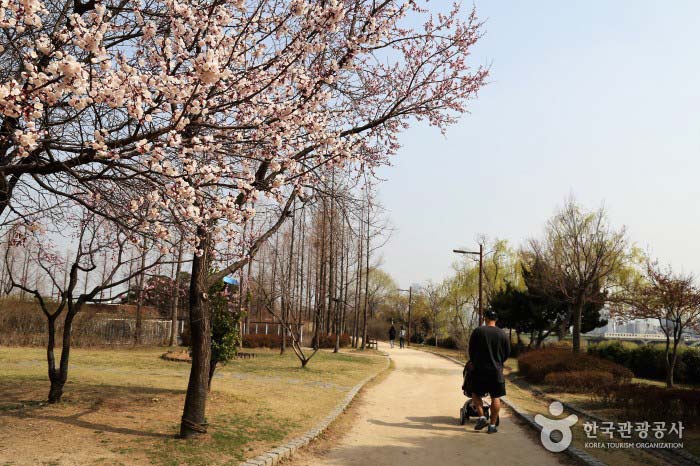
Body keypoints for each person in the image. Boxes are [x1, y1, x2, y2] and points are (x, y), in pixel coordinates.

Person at [468, 309, 510, 434]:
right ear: (496, 319)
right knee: (495, 397)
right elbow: (507, 353)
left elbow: (471, 350)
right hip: (496, 371)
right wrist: (499, 362)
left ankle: (481, 416)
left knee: (475, 393)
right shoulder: (502, 334)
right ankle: (492, 425)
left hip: (479, 370)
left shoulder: (478, 331)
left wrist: (474, 361)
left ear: (485, 318)